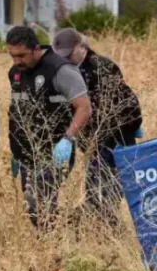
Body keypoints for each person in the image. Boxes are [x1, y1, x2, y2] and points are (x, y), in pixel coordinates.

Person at [51, 28, 143, 224]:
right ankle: (99, 227)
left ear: (81, 47)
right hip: (93, 143)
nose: (65, 60)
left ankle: (110, 229)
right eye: (61, 57)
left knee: (108, 192)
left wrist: (134, 124)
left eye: (69, 55)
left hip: (115, 137)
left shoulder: (101, 67)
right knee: (95, 192)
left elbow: (121, 103)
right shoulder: (65, 71)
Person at [5, 26, 92, 230]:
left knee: (39, 204)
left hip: (54, 150)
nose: (16, 61)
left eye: (21, 55)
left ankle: (55, 243)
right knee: (33, 208)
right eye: (12, 55)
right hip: (27, 152)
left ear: (36, 49)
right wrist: (16, 150)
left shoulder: (60, 70)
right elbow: (18, 110)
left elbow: (84, 108)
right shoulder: (16, 73)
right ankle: (71, 229)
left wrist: (67, 139)